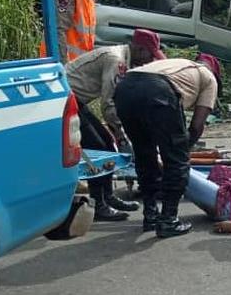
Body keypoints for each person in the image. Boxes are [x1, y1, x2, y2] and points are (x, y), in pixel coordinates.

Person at [115, 54, 221, 238]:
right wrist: (179, 154)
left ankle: (151, 215)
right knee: (177, 161)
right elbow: (196, 127)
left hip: (125, 89)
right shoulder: (209, 78)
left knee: (144, 154)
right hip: (158, 90)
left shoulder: (174, 65)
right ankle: (168, 220)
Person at [66, 29, 165, 221]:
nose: (148, 61)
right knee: (98, 148)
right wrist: (120, 133)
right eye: (148, 55)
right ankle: (99, 205)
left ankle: (108, 196)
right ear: (137, 48)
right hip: (66, 100)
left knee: (106, 145)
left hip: (77, 100)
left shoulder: (123, 57)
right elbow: (108, 103)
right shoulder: (116, 60)